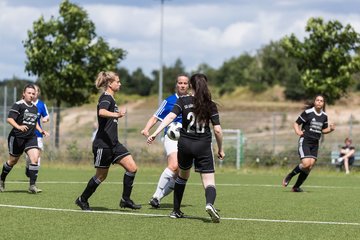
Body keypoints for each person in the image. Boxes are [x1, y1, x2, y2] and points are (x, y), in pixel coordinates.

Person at [147, 73, 225, 223]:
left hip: (185, 144)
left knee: (182, 177)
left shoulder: (183, 100)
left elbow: (169, 117)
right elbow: (218, 130)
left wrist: (155, 133)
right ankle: (209, 204)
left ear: (191, 86)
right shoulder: (210, 104)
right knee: (209, 181)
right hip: (203, 145)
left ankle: (176, 211)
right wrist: (220, 149)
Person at [75, 71, 141, 211]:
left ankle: (125, 199)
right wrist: (116, 114)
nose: (120, 84)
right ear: (110, 83)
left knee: (132, 168)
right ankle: (82, 199)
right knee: (101, 176)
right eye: (117, 81)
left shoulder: (112, 98)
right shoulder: (106, 97)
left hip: (114, 144)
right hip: (103, 145)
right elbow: (102, 112)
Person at [141, 74, 189, 208]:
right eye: (180, 83)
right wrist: (146, 129)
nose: (182, 85)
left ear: (188, 85)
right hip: (171, 136)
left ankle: (158, 198)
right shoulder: (169, 101)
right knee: (174, 165)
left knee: (180, 174)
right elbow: (155, 117)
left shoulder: (192, 101)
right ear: (176, 84)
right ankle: (156, 195)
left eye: (185, 83)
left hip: (188, 139)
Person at [0, 84, 49, 193]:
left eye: (33, 93)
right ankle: (1, 179)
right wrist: (19, 127)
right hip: (17, 137)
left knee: (35, 159)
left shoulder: (35, 108)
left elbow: (34, 122)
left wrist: (41, 130)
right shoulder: (18, 105)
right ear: (24, 93)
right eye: (29, 93)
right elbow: (10, 119)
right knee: (13, 161)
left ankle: (32, 186)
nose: (31, 95)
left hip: (31, 137)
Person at [282, 94, 335, 192]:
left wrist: (331, 129)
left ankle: (296, 187)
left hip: (315, 143)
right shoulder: (308, 112)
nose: (319, 102)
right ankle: (290, 175)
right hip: (305, 141)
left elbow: (323, 130)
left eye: (321, 101)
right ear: (314, 102)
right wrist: (298, 132)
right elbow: (296, 123)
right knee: (306, 164)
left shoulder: (324, 116)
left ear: (323, 104)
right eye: (317, 100)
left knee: (309, 166)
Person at [25, 84, 50, 177]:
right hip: (27, 134)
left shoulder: (41, 104)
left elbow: (47, 116)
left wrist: (45, 119)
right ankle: (28, 167)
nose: (34, 93)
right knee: (29, 156)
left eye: (35, 91)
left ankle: (34, 175)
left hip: (38, 134)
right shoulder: (25, 103)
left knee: (37, 155)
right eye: (31, 91)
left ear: (38, 93)